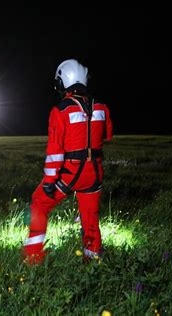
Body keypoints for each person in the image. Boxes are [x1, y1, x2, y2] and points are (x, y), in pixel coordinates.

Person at [23, 59, 113, 264]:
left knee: (39, 203)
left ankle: (33, 256)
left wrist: (48, 181)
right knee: (90, 218)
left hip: (71, 173)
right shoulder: (102, 107)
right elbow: (108, 136)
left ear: (64, 81)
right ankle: (93, 261)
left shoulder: (60, 111)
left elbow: (55, 151)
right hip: (95, 173)